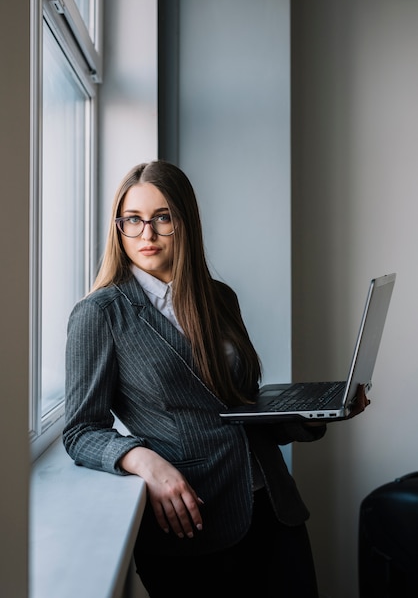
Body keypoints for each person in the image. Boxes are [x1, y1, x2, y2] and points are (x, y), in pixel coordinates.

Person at [63, 160, 369, 597]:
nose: (145, 234)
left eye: (162, 218)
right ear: (119, 226)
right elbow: (80, 431)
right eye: (132, 220)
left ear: (185, 221)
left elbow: (240, 408)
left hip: (272, 507)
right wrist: (143, 461)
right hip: (195, 521)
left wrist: (316, 412)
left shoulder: (220, 299)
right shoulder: (100, 314)